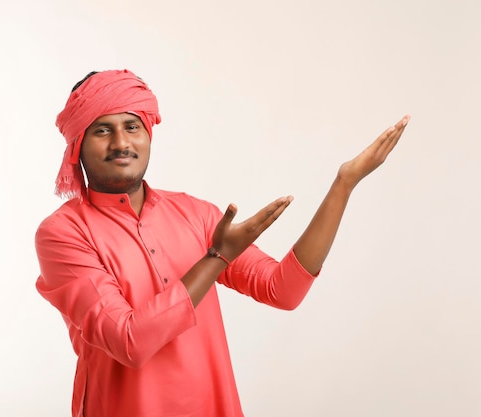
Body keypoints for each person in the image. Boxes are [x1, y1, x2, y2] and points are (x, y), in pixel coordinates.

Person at [35, 69, 410, 417]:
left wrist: (344, 184)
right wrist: (217, 257)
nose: (121, 142)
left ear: (148, 133)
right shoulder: (64, 234)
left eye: (132, 126)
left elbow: (283, 290)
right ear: (77, 145)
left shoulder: (195, 214)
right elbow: (130, 341)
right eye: (102, 130)